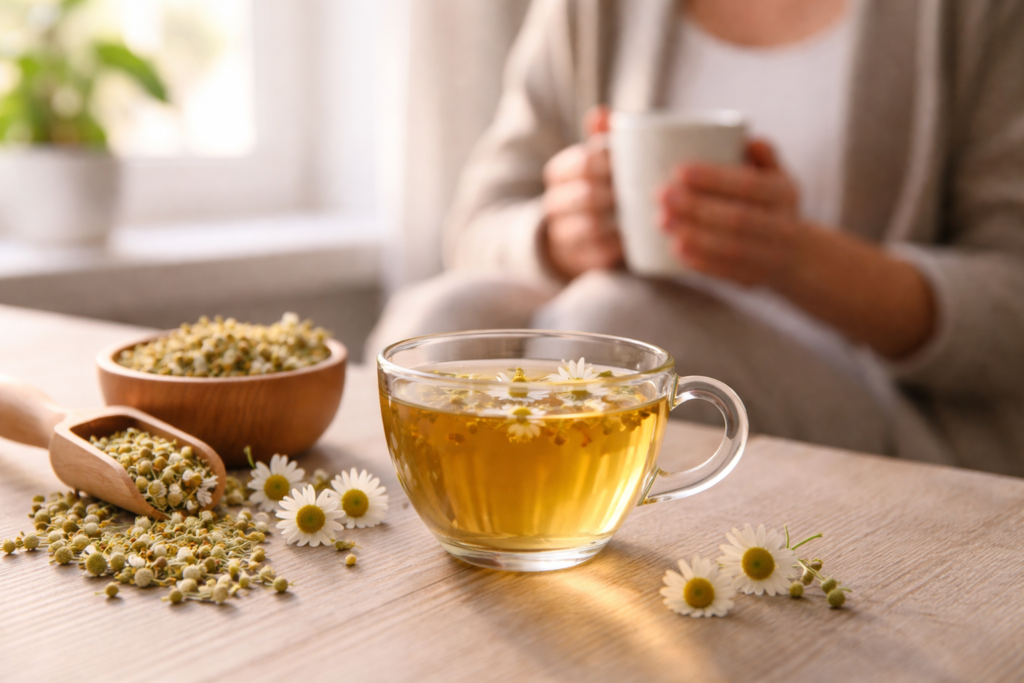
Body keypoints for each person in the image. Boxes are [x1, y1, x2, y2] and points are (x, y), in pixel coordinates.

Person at [368, 0, 1024, 476]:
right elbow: (478, 221)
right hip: (614, 322)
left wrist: (793, 256)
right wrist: (557, 233)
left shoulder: (976, 17)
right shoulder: (590, 11)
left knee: (614, 323)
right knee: (441, 321)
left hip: (882, 400)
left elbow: (1011, 308)